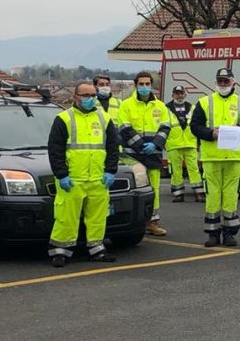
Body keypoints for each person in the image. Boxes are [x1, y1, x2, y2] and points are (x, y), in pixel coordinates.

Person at [46, 82, 119, 267]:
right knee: (66, 218)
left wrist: (110, 171)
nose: (90, 99)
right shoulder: (64, 118)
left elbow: (112, 147)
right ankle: (60, 252)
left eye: (93, 95)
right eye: (86, 95)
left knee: (97, 218)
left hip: (98, 179)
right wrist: (61, 174)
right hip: (72, 179)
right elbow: (55, 150)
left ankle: (97, 249)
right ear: (75, 97)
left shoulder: (104, 118)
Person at [189, 67, 240, 247]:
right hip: (212, 157)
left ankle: (229, 233)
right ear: (215, 83)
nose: (223, 84)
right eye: (220, 81)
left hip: (233, 158)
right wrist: (211, 133)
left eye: (226, 81)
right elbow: (194, 126)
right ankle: (212, 234)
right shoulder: (204, 102)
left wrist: (236, 131)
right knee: (212, 196)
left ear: (234, 82)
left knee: (231, 196)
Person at [118, 71, 170, 236]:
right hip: (133, 155)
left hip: (153, 154)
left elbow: (165, 127)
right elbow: (125, 128)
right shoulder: (126, 105)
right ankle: (134, 222)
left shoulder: (160, 106)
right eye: (141, 84)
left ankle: (152, 222)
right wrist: (141, 146)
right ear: (136, 85)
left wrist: (154, 144)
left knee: (154, 188)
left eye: (148, 84)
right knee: (135, 190)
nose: (145, 87)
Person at [165, 84, 204, 204]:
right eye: (177, 93)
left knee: (194, 169)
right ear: (172, 95)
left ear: (185, 94)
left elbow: (197, 124)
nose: (179, 95)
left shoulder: (192, 108)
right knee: (175, 171)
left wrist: (198, 140)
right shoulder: (165, 108)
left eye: (181, 93)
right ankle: (178, 194)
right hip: (173, 144)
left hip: (189, 143)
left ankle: (199, 193)